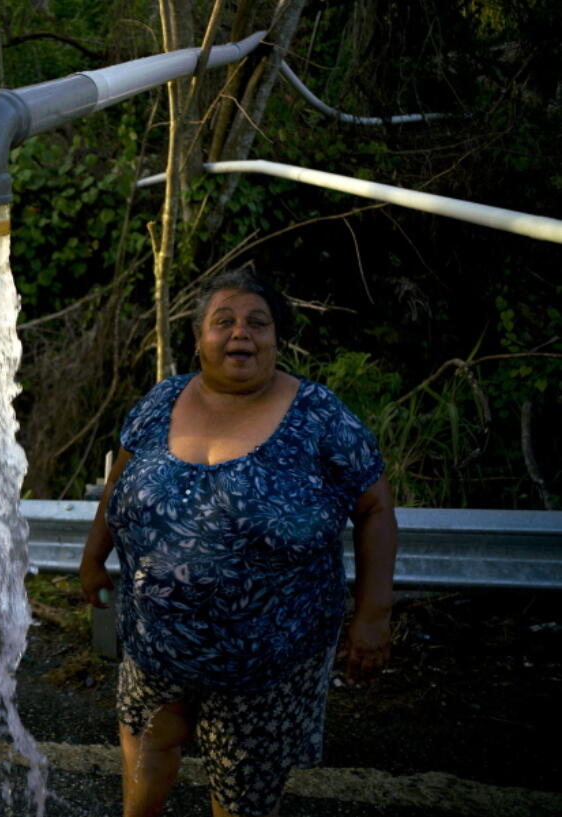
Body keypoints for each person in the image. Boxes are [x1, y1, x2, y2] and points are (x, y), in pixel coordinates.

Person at [78, 270, 398, 817]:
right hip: (156, 642)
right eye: (222, 321)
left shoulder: (318, 415)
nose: (240, 333)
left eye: (257, 322)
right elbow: (119, 485)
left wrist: (373, 614)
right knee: (148, 743)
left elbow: (375, 509)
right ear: (199, 338)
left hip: (265, 662)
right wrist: (92, 558)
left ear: (276, 337)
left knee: (241, 791)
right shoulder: (162, 400)